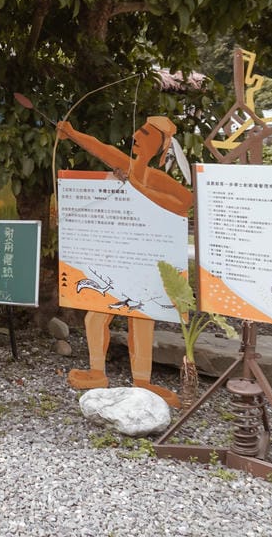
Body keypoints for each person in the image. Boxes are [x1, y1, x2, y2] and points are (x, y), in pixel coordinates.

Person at [51, 115, 189, 408]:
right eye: (138, 130)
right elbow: (99, 147)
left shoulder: (156, 178)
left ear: (160, 145)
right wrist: (73, 133)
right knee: (96, 314)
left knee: (141, 319)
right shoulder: (124, 165)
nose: (137, 135)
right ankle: (97, 372)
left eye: (146, 133)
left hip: (147, 258)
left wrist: (139, 189)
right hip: (120, 256)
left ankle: (142, 380)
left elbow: (184, 203)